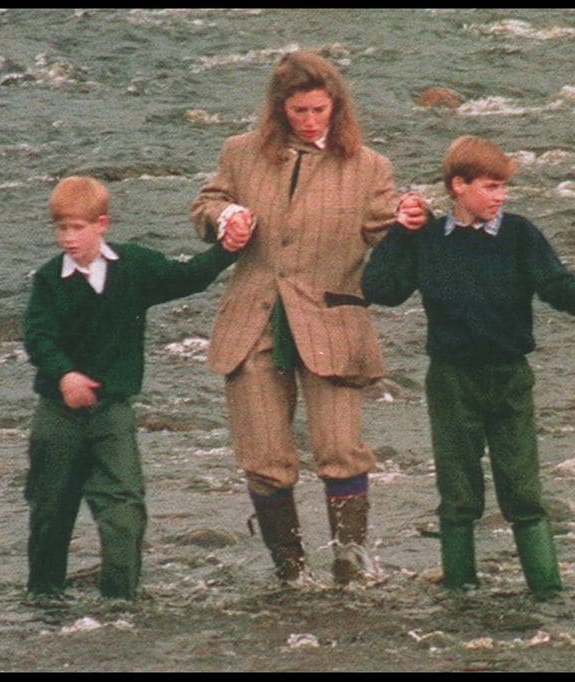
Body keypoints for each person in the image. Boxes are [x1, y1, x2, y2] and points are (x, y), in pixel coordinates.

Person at [190, 50, 427, 585]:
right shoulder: (241, 153)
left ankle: (350, 561)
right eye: (299, 110)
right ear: (279, 110)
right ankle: (291, 572)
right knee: (265, 457)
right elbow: (207, 204)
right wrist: (223, 217)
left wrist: (411, 218)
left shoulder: (369, 167)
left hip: (333, 322)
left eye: (320, 109)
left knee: (341, 450)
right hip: (253, 321)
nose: (311, 119)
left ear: (337, 108)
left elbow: (387, 228)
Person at [361, 136, 575, 598]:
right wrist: (399, 230)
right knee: (458, 496)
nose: (501, 197)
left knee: (524, 494)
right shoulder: (428, 240)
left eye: (503, 188)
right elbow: (381, 288)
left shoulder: (519, 234)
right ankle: (460, 594)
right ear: (459, 185)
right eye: (491, 187)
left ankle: (548, 594)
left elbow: (551, 278)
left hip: (510, 376)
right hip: (451, 381)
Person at [22, 175, 240, 600]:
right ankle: (44, 603)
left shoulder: (134, 267)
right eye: (60, 228)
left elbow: (189, 277)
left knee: (124, 510)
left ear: (101, 224)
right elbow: (37, 337)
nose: (67, 238)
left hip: (112, 411)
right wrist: (65, 374)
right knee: (50, 513)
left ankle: (119, 604)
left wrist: (228, 249)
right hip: (56, 414)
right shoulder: (48, 279)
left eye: (77, 228)